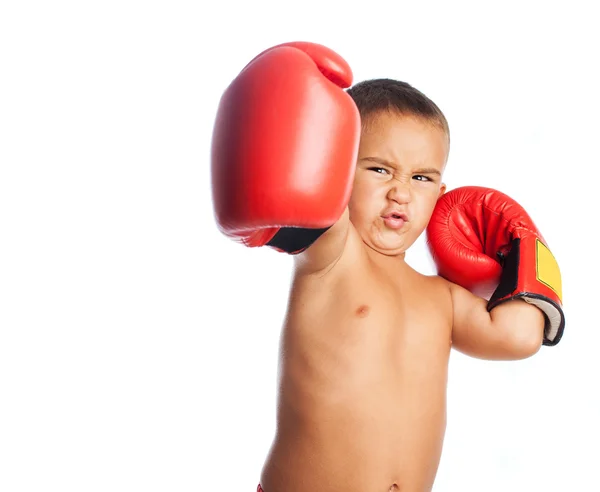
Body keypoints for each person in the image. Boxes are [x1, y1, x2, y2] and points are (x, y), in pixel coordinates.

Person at [210, 41, 565, 492]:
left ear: (441, 192)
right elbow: (298, 188)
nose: (401, 192)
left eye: (421, 178)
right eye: (379, 170)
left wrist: (521, 243)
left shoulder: (444, 298)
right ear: (336, 173)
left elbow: (519, 337)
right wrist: (286, 107)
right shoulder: (333, 255)